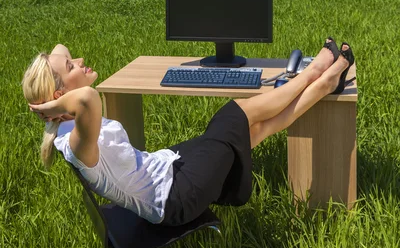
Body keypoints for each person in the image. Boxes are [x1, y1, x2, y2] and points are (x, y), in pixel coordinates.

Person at [22, 38, 354, 227]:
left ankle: (322, 84)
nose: (79, 60)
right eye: (71, 67)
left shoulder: (68, 128)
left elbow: (63, 56)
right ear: (58, 98)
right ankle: (312, 71)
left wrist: (53, 88)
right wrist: (50, 105)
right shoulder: (76, 141)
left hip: (167, 172)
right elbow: (88, 99)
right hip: (176, 198)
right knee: (235, 113)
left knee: (251, 132)